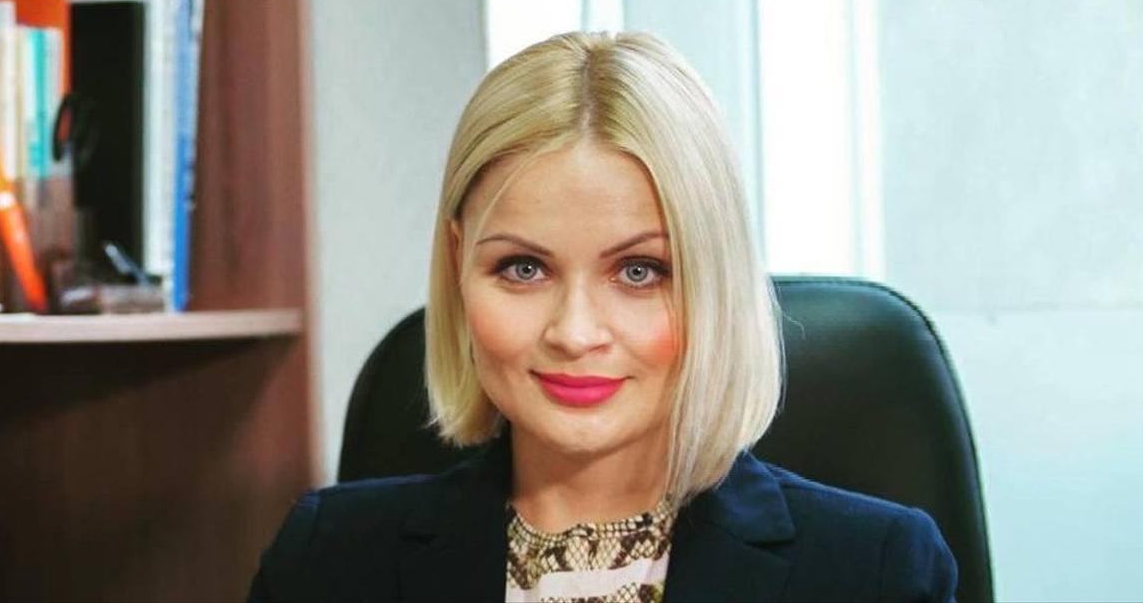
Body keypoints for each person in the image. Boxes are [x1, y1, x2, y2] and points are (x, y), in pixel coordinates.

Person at [248, 31, 957, 602]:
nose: (575, 332)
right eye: (523, 269)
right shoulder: (325, 561)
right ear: (460, 265)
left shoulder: (878, 571)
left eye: (639, 271)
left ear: (714, 283)